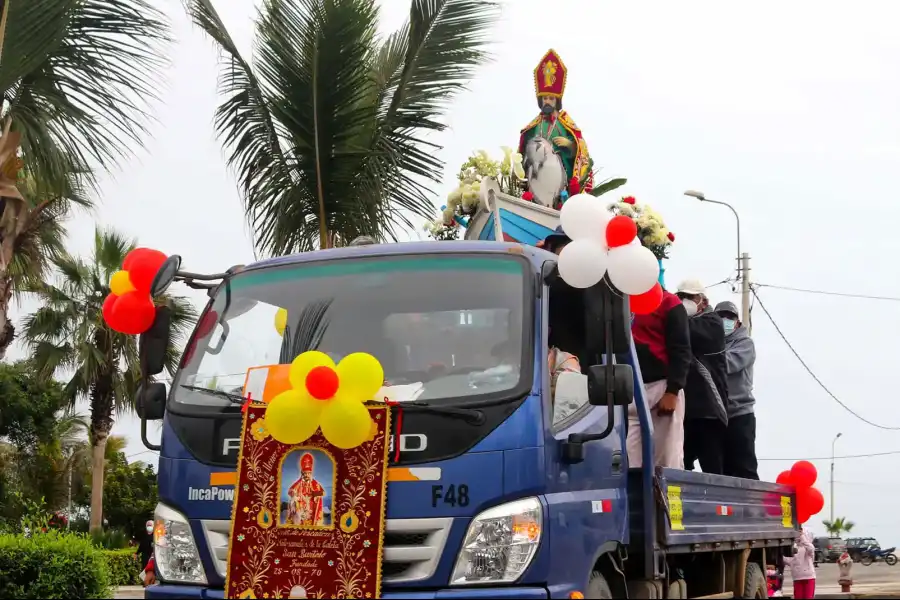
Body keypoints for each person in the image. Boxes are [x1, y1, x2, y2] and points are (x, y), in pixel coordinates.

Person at [628, 279, 692, 469]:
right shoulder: (623, 302)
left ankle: (664, 498)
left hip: (662, 386)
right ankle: (637, 498)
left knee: (665, 457)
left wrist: (672, 391)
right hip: (632, 388)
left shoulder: (669, 303)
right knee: (630, 458)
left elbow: (681, 350)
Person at [518, 49, 594, 200]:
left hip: (560, 182)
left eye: (551, 98)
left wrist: (570, 145)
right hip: (536, 180)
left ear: (557, 101)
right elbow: (522, 152)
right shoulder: (533, 127)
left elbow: (581, 152)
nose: (547, 101)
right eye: (544, 98)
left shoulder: (565, 124)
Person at [677, 280, 729, 475]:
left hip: (710, 408)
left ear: (703, 301)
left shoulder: (713, 323)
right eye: (681, 297)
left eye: (690, 297)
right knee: (681, 462)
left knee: (712, 465)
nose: (685, 301)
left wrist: (673, 315)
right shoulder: (684, 322)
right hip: (686, 409)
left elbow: (684, 331)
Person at [715, 300, 759, 479]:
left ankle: (751, 506)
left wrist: (706, 357)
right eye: (720, 317)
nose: (725, 320)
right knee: (720, 471)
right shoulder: (711, 345)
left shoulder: (745, 344)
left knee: (744, 467)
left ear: (738, 322)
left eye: (730, 317)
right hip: (716, 416)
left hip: (740, 415)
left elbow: (728, 364)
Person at [286, 453, 326, 526]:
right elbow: (289, 491)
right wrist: (294, 494)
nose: (307, 475)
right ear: (302, 473)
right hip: (300, 506)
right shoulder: (298, 483)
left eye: (309, 473)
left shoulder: (315, 483)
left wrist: (315, 494)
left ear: (311, 474)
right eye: (305, 473)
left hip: (311, 506)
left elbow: (323, 493)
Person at [784, 529, 816, 599]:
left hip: (809, 578)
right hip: (797, 578)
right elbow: (790, 561)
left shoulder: (808, 548)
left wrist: (802, 536)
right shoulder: (794, 548)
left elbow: (811, 549)